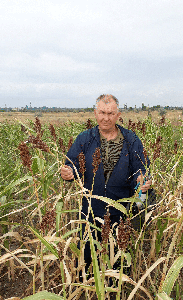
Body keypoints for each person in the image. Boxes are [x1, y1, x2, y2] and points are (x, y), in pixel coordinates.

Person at [60, 94, 152, 270]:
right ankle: (88, 288)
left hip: (121, 209)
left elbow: (140, 168)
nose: (106, 118)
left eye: (110, 113)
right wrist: (68, 173)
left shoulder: (131, 139)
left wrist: (141, 180)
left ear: (118, 116)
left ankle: (117, 290)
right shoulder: (84, 139)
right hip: (90, 210)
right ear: (95, 114)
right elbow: (71, 165)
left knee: (118, 258)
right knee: (88, 256)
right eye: (102, 112)